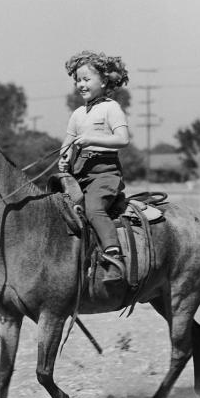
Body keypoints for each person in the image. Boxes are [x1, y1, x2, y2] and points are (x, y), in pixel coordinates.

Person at [58, 50, 131, 279]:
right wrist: (64, 157)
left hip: (105, 174)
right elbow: (67, 144)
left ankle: (113, 255)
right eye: (78, 80)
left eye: (86, 79)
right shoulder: (78, 114)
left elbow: (122, 139)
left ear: (104, 80)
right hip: (79, 174)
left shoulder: (111, 108)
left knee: (94, 208)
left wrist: (91, 139)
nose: (81, 84)